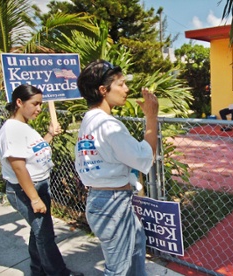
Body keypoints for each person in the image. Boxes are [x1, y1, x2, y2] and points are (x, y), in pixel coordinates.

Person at [74, 60, 158, 275]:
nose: (126, 89)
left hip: (105, 200)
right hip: (112, 204)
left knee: (137, 241)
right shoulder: (108, 125)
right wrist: (151, 117)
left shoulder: (89, 120)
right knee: (117, 269)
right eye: (120, 84)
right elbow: (144, 157)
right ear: (103, 90)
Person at [0, 84, 83, 276]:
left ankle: (38, 270)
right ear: (19, 102)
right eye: (35, 104)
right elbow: (19, 168)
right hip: (25, 190)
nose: (39, 108)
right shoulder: (12, 131)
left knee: (39, 233)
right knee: (45, 235)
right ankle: (58, 273)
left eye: (41, 104)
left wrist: (50, 135)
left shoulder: (22, 127)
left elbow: (34, 151)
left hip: (38, 186)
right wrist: (34, 199)